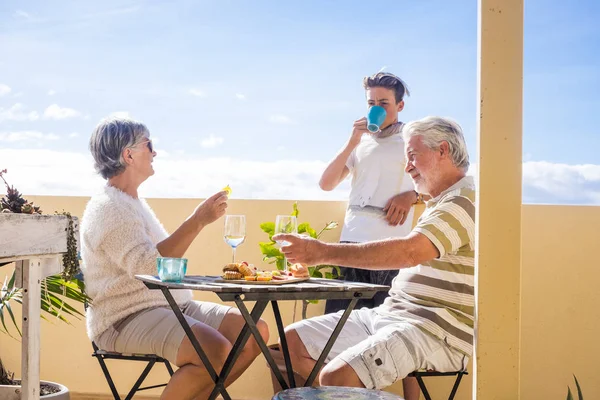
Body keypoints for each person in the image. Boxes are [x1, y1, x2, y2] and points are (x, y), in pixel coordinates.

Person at [274, 116, 473, 400]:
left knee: (336, 376)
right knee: (289, 344)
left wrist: (321, 252)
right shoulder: (439, 201)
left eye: (413, 156)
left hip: (434, 328)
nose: (408, 167)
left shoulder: (463, 202)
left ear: (442, 150)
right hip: (390, 314)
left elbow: (410, 251)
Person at [81, 117, 269, 400]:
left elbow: (159, 261)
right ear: (128, 154)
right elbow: (151, 267)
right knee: (215, 350)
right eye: (149, 144)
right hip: (124, 316)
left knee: (253, 331)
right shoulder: (109, 208)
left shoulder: (133, 204)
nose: (154, 152)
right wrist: (198, 220)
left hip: (170, 304)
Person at [319, 71, 421, 314]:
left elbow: (439, 185)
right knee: (336, 327)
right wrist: (352, 141)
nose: (377, 108)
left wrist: (412, 197)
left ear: (400, 105)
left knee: (381, 329)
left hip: (389, 248)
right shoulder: (360, 142)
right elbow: (326, 184)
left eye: (383, 103)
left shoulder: (412, 140)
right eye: (371, 103)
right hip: (349, 247)